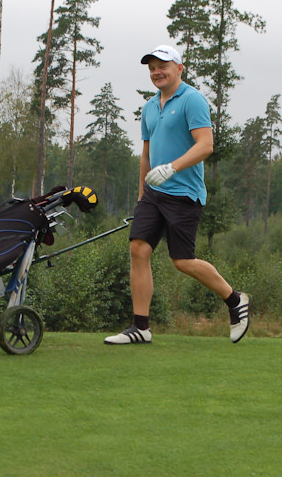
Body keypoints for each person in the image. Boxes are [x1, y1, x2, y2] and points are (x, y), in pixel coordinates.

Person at [105, 44, 250, 345]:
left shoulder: (192, 100)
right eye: (152, 68)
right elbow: (146, 155)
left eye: (163, 66)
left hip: (184, 193)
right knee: (138, 249)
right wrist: (142, 194)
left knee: (182, 261)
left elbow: (205, 145)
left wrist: (172, 168)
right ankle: (141, 327)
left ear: (179, 68)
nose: (157, 72)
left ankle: (235, 300)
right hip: (153, 194)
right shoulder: (149, 107)